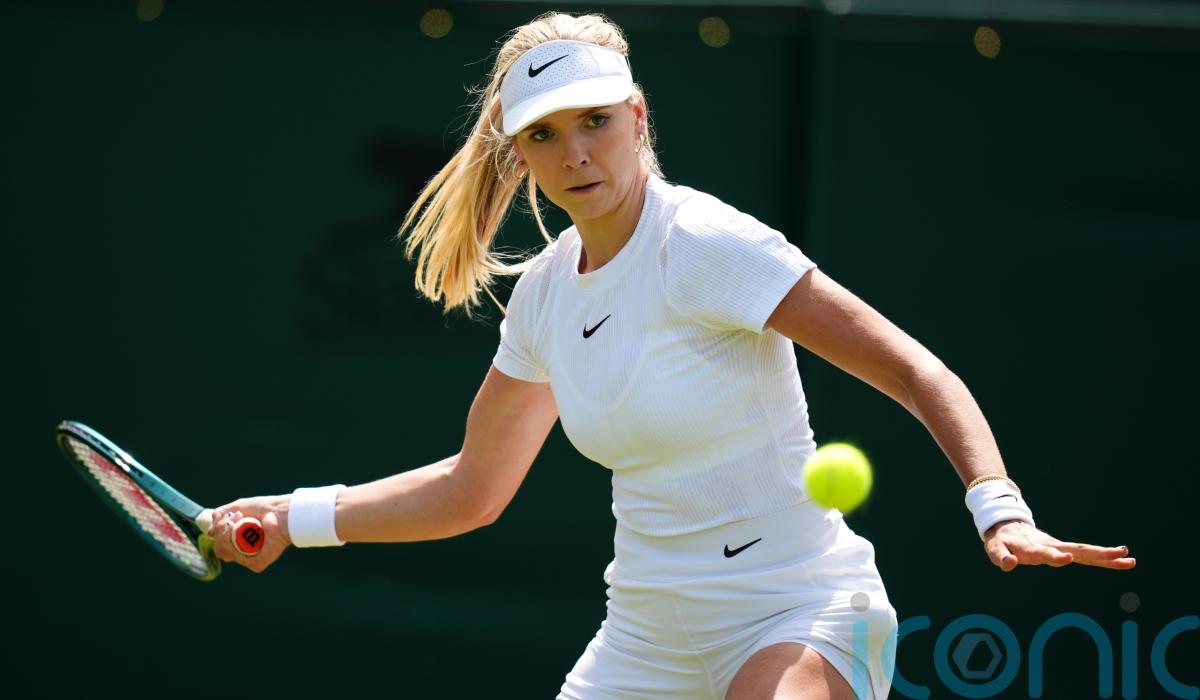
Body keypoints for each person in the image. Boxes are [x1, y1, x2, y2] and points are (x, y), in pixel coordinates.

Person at [209, 12, 1137, 700]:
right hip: (644, 637)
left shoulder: (707, 244)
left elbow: (913, 370)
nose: (576, 153)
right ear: (520, 155)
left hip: (798, 610)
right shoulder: (544, 297)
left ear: (637, 118)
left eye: (595, 122)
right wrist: (295, 517)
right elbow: (471, 490)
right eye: (544, 135)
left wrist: (998, 508)